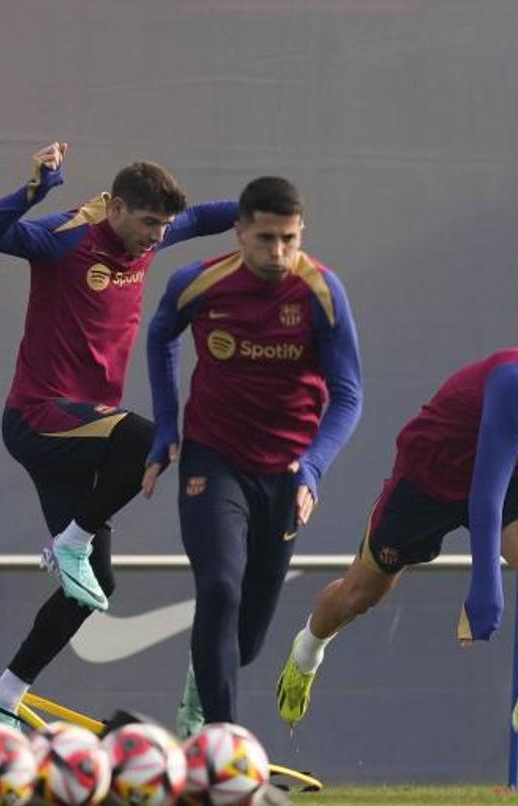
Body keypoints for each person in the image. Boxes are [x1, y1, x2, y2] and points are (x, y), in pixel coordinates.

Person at [275, 322, 518, 763]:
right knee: (360, 594)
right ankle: (306, 652)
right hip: (428, 478)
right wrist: (485, 587)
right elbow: (483, 495)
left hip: (506, 475)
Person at [0, 141, 238, 728]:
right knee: (146, 436)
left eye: (164, 226)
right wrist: (38, 190)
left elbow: (207, 216)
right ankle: (70, 542)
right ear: (114, 207)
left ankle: (1, 698)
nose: (157, 237)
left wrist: (262, 211)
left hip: (83, 430)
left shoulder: (150, 238)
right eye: (147, 223)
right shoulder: (69, 237)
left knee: (92, 587)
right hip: (40, 416)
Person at [143, 176, 363, 736]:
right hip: (212, 461)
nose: (278, 253)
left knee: (245, 636)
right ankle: (218, 739)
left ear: (301, 232)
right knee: (219, 586)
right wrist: (167, 424)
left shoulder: (322, 292)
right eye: (265, 238)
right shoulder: (198, 283)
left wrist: (313, 467)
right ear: (239, 232)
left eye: (288, 238)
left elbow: (349, 395)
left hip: (287, 474)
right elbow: (161, 334)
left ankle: (202, 687)